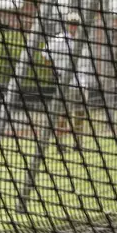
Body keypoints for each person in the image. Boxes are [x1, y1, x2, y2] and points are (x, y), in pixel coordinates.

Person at [44, 12, 91, 143]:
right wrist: (53, 72)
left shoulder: (82, 40)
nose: (73, 26)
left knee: (80, 114)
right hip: (66, 83)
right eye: (71, 23)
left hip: (82, 83)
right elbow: (45, 54)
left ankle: (78, 143)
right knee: (64, 114)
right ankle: (60, 142)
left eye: (76, 24)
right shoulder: (59, 39)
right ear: (67, 24)